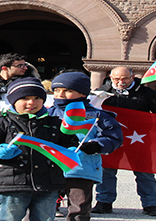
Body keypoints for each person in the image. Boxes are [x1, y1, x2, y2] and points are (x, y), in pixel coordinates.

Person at [0, 77, 78, 221]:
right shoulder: (2, 122)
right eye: (25, 98)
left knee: (45, 218)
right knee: (10, 217)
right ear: (13, 100)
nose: (31, 102)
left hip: (48, 182)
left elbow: (69, 141)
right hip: (13, 183)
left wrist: (71, 150)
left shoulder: (55, 123)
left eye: (37, 98)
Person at [91, 66, 156, 216]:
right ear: (110, 78)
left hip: (139, 139)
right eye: (117, 79)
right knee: (107, 171)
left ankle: (151, 204)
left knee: (145, 172)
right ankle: (104, 202)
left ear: (132, 77)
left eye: (125, 78)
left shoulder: (146, 93)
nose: (121, 82)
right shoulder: (100, 93)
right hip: (110, 138)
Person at [48, 71, 123, 221]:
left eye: (67, 91)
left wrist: (97, 145)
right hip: (52, 167)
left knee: (79, 208)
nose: (60, 94)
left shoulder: (97, 116)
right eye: (56, 90)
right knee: (43, 206)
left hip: (82, 167)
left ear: (82, 93)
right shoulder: (48, 113)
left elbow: (114, 136)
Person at [0, 52, 39, 212]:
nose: (25, 68)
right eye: (20, 65)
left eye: (25, 65)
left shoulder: (28, 81)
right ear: (5, 67)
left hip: (17, 126)